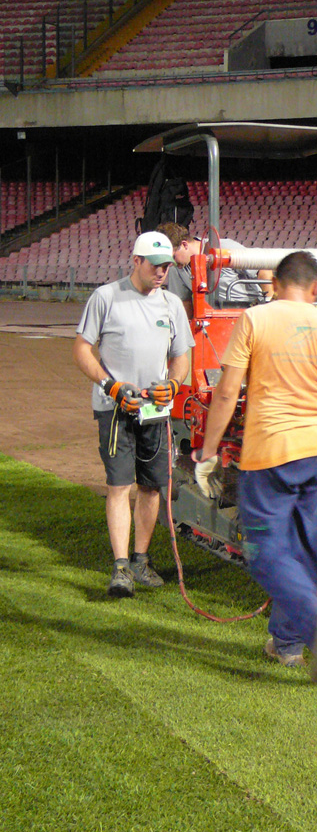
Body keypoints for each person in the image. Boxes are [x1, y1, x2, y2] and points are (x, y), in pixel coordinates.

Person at [194, 250, 317, 684]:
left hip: (271, 448)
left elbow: (227, 392)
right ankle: (287, 645)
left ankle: (315, 619)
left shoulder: (255, 319)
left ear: (274, 284)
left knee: (263, 549)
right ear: (316, 288)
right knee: (303, 548)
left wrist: (208, 452)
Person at [73, 231, 195, 598]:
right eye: (155, 265)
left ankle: (141, 560)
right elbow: (81, 349)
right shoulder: (106, 297)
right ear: (136, 261)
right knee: (119, 486)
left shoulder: (171, 304)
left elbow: (182, 356)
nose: (161, 272)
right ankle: (121, 567)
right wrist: (110, 386)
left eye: (166, 266)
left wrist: (173, 384)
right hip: (115, 410)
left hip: (155, 411)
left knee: (151, 485)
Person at [156, 222, 273, 310]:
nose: (172, 263)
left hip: (249, 311)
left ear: (184, 245)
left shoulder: (225, 248)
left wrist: (269, 304)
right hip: (214, 318)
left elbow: (263, 270)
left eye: (173, 257)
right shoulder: (176, 268)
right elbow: (185, 303)